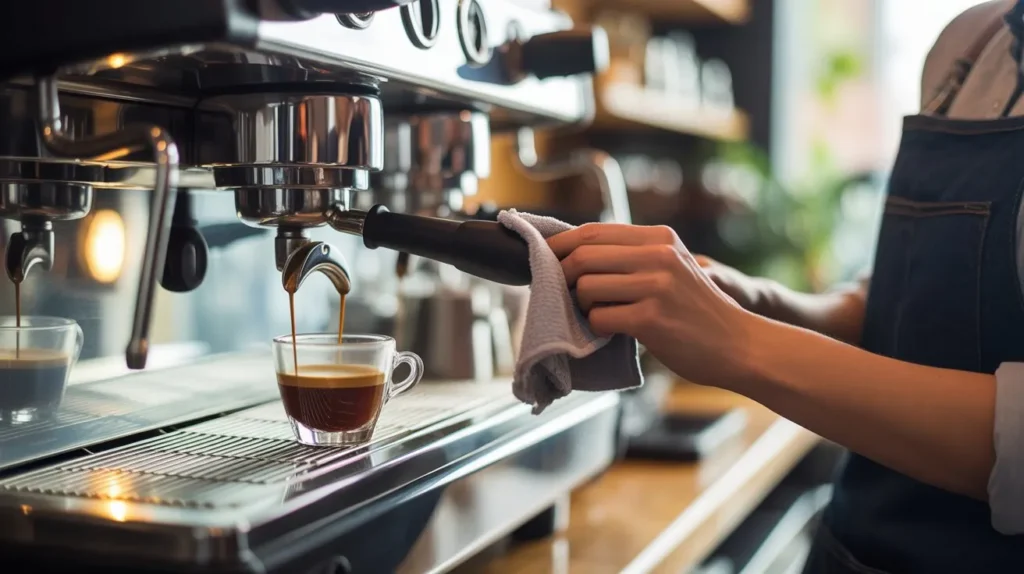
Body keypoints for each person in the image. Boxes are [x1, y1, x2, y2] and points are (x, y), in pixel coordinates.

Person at [547, 1, 1024, 572]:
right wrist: (758, 302)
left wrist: (736, 340)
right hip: (848, 548)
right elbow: (901, 304)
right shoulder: (970, 44)